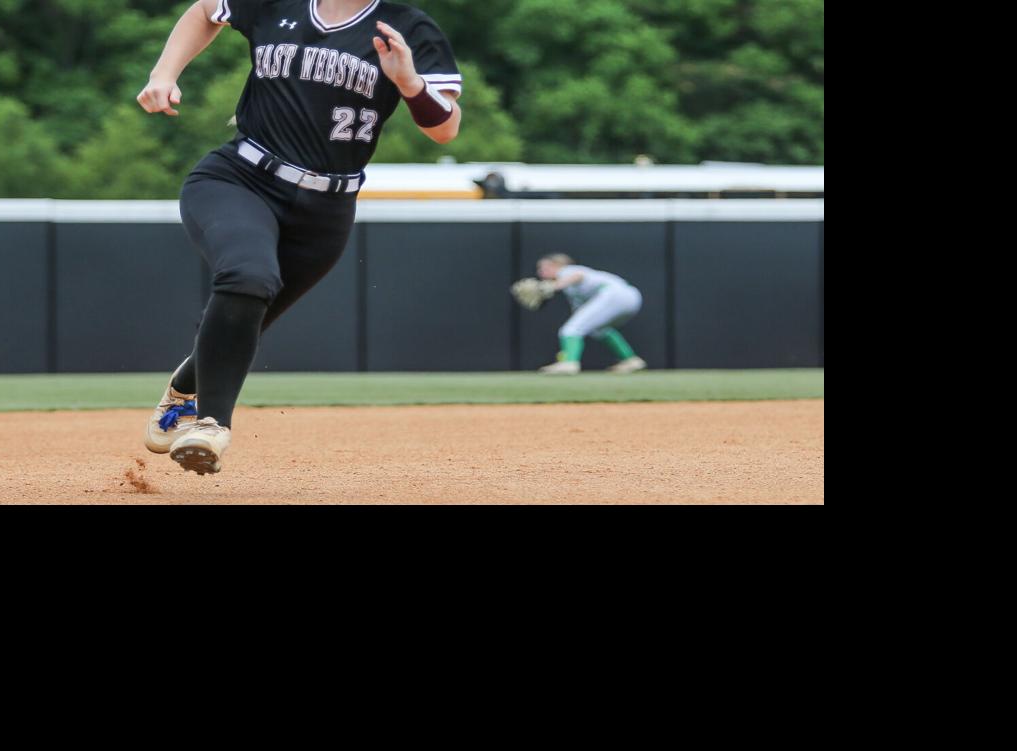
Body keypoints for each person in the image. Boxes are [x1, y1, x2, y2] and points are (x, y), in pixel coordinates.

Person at [137, 0, 464, 474]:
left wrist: (409, 83)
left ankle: (184, 388)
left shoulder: (409, 26)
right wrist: (164, 74)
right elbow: (207, 10)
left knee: (252, 313)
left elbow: (445, 129)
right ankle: (209, 424)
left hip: (327, 209)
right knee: (248, 277)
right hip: (241, 177)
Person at [533, 254, 648, 375]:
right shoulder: (571, 289)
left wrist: (554, 286)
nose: (540, 272)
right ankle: (631, 360)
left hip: (612, 294)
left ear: (557, 265)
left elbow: (578, 275)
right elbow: (580, 311)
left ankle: (568, 363)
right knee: (599, 329)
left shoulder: (566, 270)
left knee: (570, 329)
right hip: (631, 297)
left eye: (544, 268)